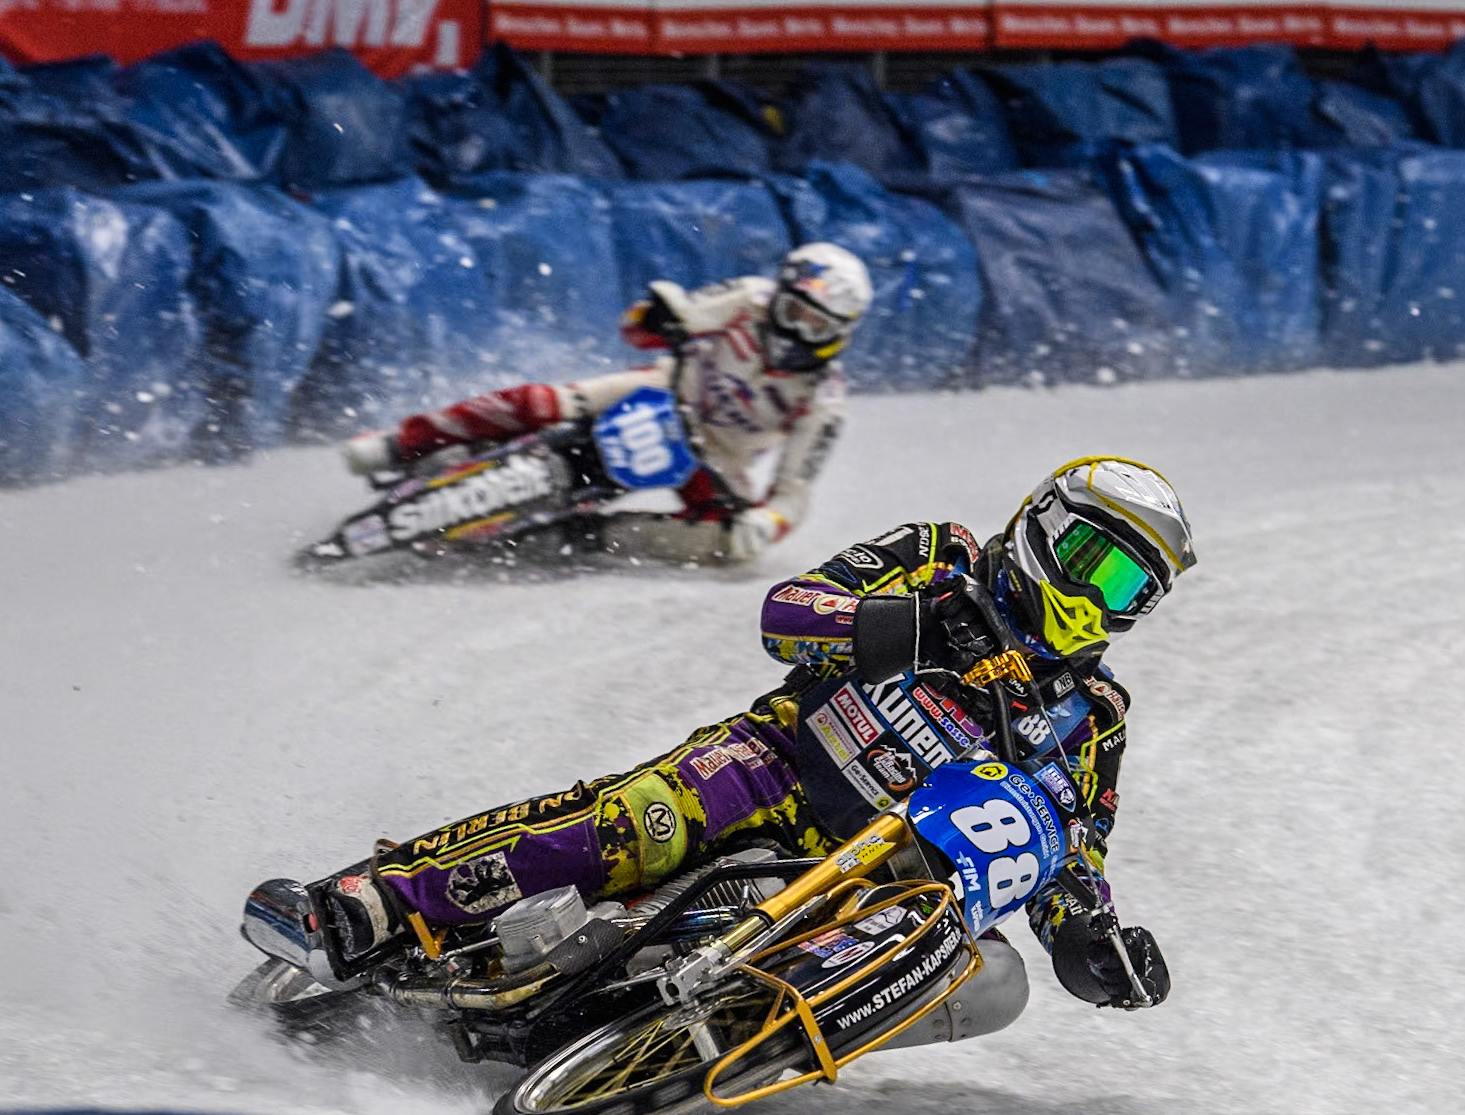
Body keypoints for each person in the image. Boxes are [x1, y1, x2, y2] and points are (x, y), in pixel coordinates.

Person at [255, 456, 1194, 1023]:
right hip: (783, 760)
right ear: (1043, 527)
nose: (1103, 599)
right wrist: (911, 624)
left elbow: (1071, 845)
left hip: (876, 872)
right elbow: (789, 611)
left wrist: (1090, 939)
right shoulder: (942, 553)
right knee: (639, 822)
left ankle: (705, 1036)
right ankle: (369, 906)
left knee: (977, 973)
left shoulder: (1092, 711)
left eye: (1132, 589)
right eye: (1097, 564)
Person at [339, 243, 873, 565]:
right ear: (777, 294)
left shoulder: (825, 400)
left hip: (715, 456)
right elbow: (655, 323)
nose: (795, 329)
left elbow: (795, 492)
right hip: (664, 389)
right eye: (791, 310)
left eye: (815, 324)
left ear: (839, 334)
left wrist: (767, 522)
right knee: (546, 399)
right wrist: (656, 317)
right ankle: (401, 443)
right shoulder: (749, 298)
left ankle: (586, 538)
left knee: (729, 548)